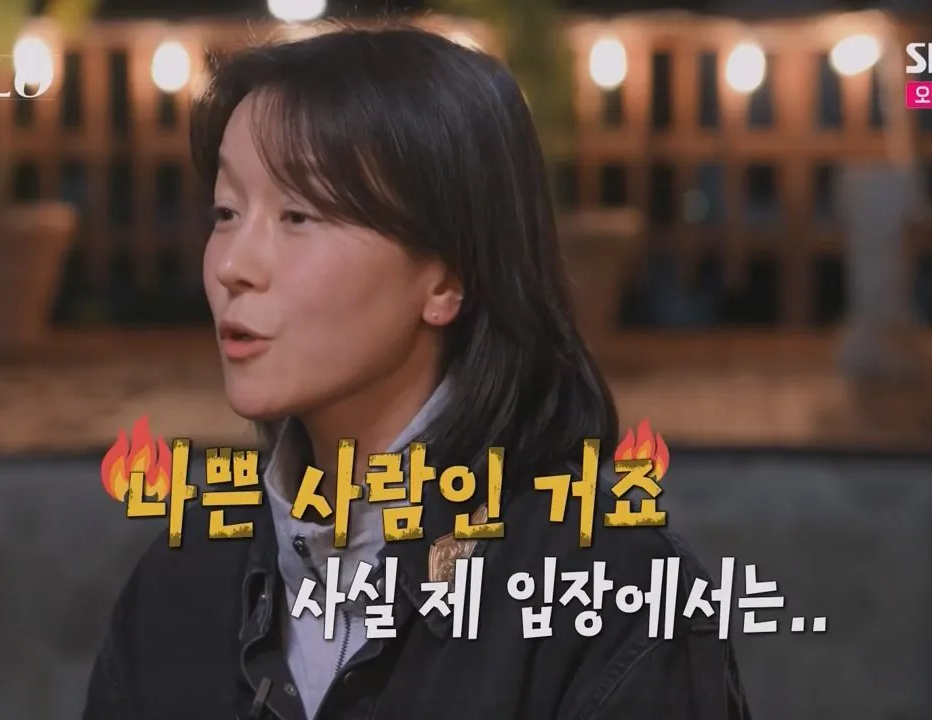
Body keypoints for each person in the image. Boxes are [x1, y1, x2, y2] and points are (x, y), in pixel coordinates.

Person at [83, 25, 750, 720]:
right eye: (226, 212)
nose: (231, 265)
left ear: (447, 277)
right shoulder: (183, 582)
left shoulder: (611, 597)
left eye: (298, 215)